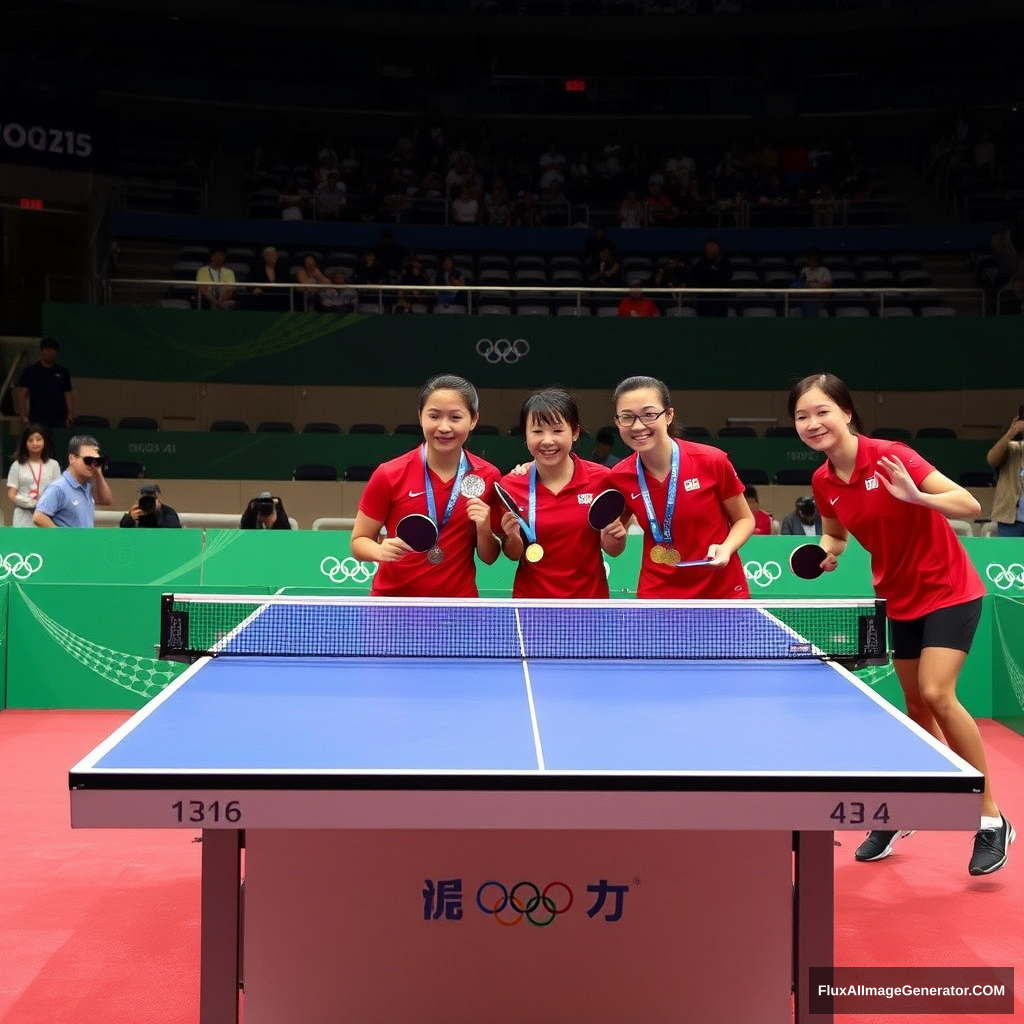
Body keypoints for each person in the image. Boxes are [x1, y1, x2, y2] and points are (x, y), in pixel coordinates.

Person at [789, 372, 1012, 875]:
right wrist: (827, 553)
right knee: (913, 707)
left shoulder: (891, 455)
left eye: (822, 411)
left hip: (949, 590)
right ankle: (904, 806)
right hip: (897, 597)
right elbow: (836, 535)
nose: (812, 423)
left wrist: (918, 497)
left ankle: (990, 818)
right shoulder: (824, 481)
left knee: (937, 693)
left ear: (846, 412)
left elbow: (969, 504)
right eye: (802, 416)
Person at [351, 375, 501, 597]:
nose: (444, 427)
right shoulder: (389, 474)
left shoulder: (488, 476)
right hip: (393, 605)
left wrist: (484, 527)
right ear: (420, 417)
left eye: (455, 417)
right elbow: (358, 542)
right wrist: (380, 550)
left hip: (458, 608)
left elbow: (489, 557)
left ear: (473, 420)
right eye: (434, 416)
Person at [607, 375, 753, 598]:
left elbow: (744, 519)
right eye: (627, 417)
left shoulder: (711, 461)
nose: (638, 426)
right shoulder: (619, 477)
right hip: (658, 594)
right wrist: (612, 537)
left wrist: (727, 548)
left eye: (649, 414)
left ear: (669, 415)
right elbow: (613, 550)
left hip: (720, 591)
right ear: (617, 422)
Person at [492, 389, 626, 599]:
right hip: (532, 608)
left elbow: (613, 550)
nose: (547, 441)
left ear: (574, 432)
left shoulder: (603, 479)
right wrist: (511, 536)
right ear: (525, 435)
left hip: (590, 605)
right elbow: (512, 554)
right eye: (537, 431)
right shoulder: (511, 485)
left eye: (557, 431)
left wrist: (616, 537)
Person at [32, 434, 112, 527]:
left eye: (97, 460)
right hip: (69, 541)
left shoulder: (87, 486)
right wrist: (63, 538)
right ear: (72, 458)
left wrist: (98, 470)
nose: (92, 464)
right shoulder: (58, 487)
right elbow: (38, 517)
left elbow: (107, 500)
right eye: (88, 460)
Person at [6, 423, 61, 527]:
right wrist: (27, 502)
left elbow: (58, 491)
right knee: (22, 543)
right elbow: (11, 493)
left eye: (38, 439)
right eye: (30, 440)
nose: (35, 443)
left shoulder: (53, 465)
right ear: (25, 443)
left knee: (44, 543)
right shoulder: (17, 465)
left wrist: (43, 504)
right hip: (22, 514)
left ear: (44, 441)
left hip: (46, 514)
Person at [16, 337, 73, 430]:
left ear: (56, 353)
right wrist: (23, 415)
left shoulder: (62, 372)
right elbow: (22, 395)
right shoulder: (31, 371)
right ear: (42, 351)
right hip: (37, 419)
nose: (49, 353)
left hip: (59, 419)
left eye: (52, 350)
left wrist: (70, 415)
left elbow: (68, 394)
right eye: (47, 350)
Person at [985, 410, 1024, 536]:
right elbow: (991, 459)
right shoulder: (1012, 447)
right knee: (1010, 555)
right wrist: (1010, 433)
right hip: (1010, 518)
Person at [688, 238, 733, 317]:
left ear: (718, 248)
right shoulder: (701, 262)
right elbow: (693, 274)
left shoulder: (725, 262)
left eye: (712, 246)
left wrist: (712, 273)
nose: (709, 249)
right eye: (708, 247)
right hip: (703, 297)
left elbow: (727, 276)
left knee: (720, 322)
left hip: (720, 297)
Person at [195, 246, 236, 310]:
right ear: (212, 257)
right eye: (218, 255)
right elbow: (202, 288)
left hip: (224, 301)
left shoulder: (229, 272)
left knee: (226, 287)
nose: (220, 258)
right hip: (208, 300)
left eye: (222, 255)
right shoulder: (202, 270)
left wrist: (220, 302)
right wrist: (215, 302)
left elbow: (230, 289)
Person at [796, 248, 832, 319]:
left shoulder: (824, 270)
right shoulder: (804, 270)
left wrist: (812, 287)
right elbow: (802, 284)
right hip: (807, 297)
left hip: (821, 297)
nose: (811, 261)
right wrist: (816, 285)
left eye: (814, 259)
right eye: (810, 259)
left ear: (817, 260)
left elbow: (827, 284)